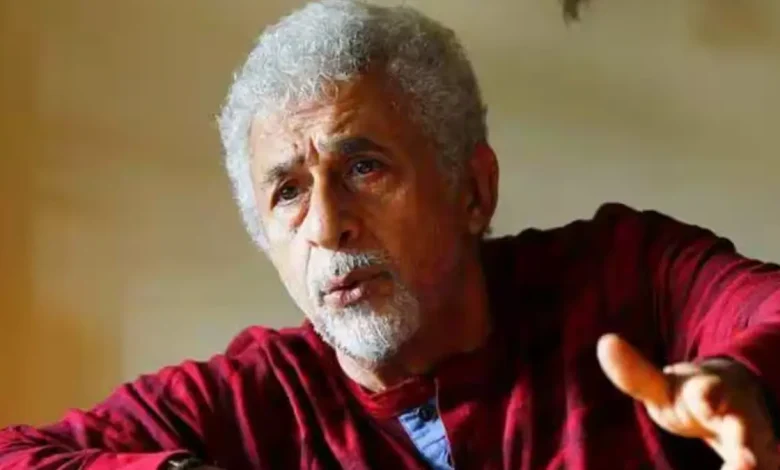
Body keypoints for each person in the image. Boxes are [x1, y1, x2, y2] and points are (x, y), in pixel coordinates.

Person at [2, 1, 779, 469]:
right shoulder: (250, 399)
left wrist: (743, 380)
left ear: (473, 190)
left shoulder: (626, 277)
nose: (327, 225)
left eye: (365, 168)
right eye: (287, 192)